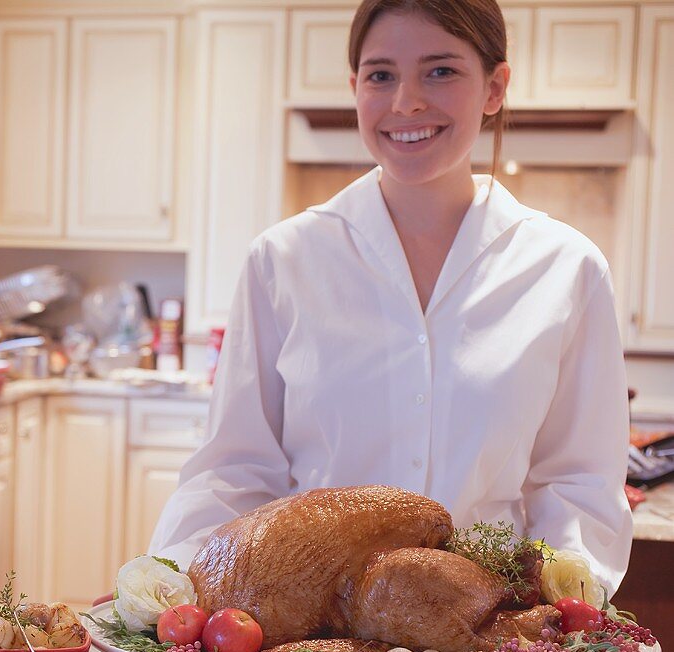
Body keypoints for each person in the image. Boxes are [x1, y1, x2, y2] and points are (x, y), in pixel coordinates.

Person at [148, 0, 631, 595]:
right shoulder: (284, 261)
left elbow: (576, 482)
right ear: (355, 88)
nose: (406, 102)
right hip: (309, 632)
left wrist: (563, 603)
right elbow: (234, 470)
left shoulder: (567, 269)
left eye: (441, 71)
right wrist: (168, 589)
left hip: (485, 633)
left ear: (494, 87)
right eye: (381, 75)